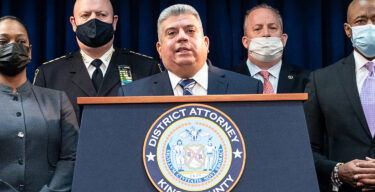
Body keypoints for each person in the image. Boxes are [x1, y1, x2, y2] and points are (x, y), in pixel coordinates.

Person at [0, 16, 78, 192]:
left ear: (30, 51)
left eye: (20, 42)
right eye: (3, 42)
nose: (12, 47)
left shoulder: (57, 100)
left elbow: (72, 158)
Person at [304, 0, 375, 192]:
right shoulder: (321, 80)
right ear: (348, 30)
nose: (370, 26)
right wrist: (337, 170)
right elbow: (306, 149)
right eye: (361, 21)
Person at [33, 0, 162, 122]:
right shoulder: (49, 75)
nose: (93, 21)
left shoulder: (147, 69)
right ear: (73, 23)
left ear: (114, 22)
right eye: (85, 15)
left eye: (102, 15)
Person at [119, 4, 262, 96]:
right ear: (160, 49)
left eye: (190, 31)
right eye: (171, 33)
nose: (182, 37)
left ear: (206, 44)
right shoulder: (133, 95)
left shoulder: (247, 89)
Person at [233, 4, 310, 94]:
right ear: (245, 42)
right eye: (257, 29)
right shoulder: (229, 79)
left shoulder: (306, 79)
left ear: (284, 40)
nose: (266, 33)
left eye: (272, 28)